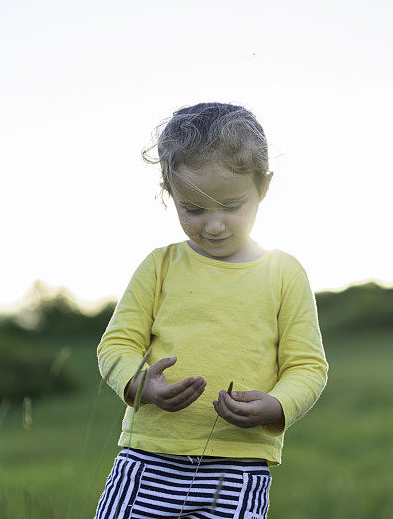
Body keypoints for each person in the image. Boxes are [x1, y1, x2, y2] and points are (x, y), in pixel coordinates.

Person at [94, 102, 328, 519]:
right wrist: (140, 384)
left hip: (238, 466)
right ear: (170, 194)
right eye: (194, 209)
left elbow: (308, 367)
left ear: (264, 188)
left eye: (231, 206)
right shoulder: (160, 266)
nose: (214, 225)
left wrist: (276, 406)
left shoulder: (284, 273)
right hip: (147, 459)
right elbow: (116, 345)